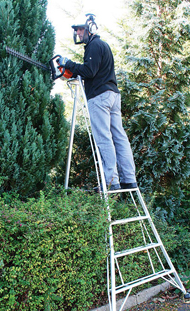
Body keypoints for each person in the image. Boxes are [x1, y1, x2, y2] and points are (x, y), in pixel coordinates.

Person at [58, 14, 137, 191]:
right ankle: (129, 179)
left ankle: (111, 181)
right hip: (113, 96)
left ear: (90, 28)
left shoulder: (93, 46)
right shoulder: (104, 46)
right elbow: (94, 71)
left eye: (79, 29)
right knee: (119, 137)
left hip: (100, 98)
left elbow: (89, 71)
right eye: (76, 30)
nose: (78, 33)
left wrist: (68, 63)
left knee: (104, 137)